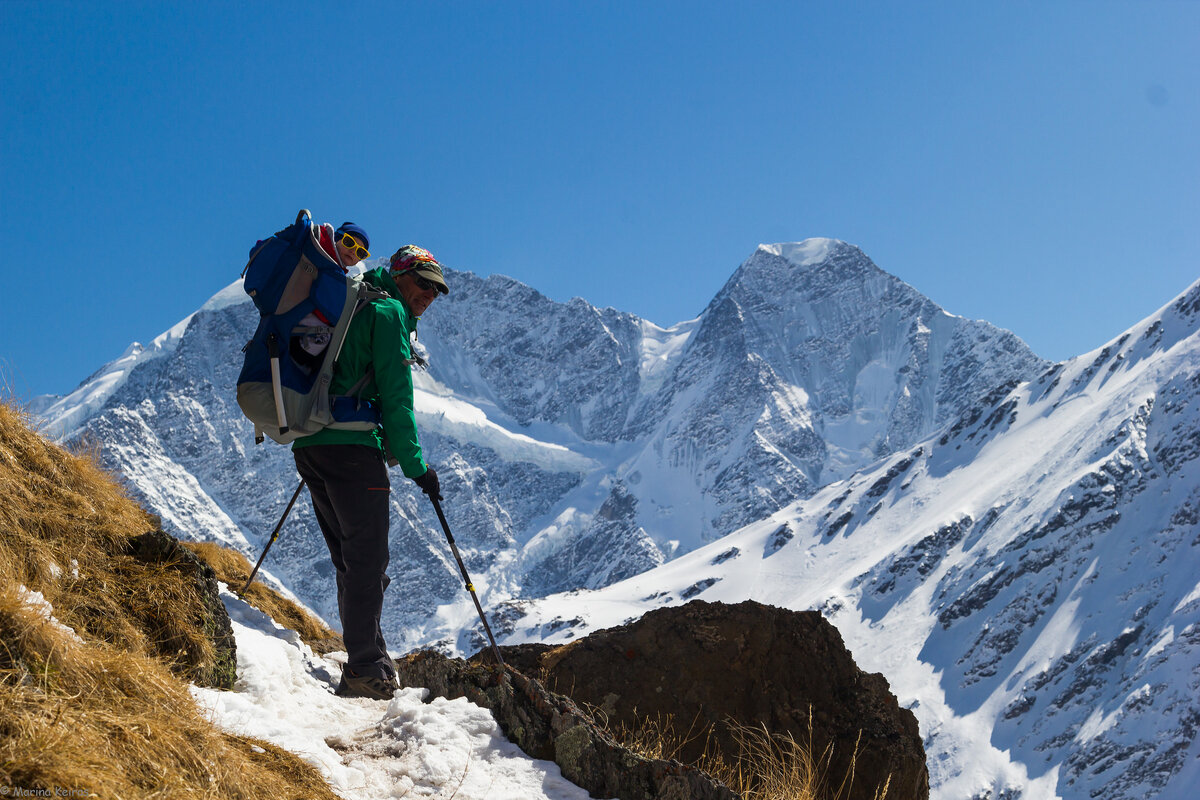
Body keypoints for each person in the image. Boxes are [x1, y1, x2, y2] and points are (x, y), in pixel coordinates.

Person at [291, 243, 450, 700]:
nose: (429, 294)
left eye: (436, 289)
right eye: (422, 282)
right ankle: (363, 668)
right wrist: (417, 468)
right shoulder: (386, 314)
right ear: (399, 276)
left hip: (312, 445)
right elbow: (397, 398)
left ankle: (371, 656)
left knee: (351, 559)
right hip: (352, 449)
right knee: (367, 562)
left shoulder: (352, 304)